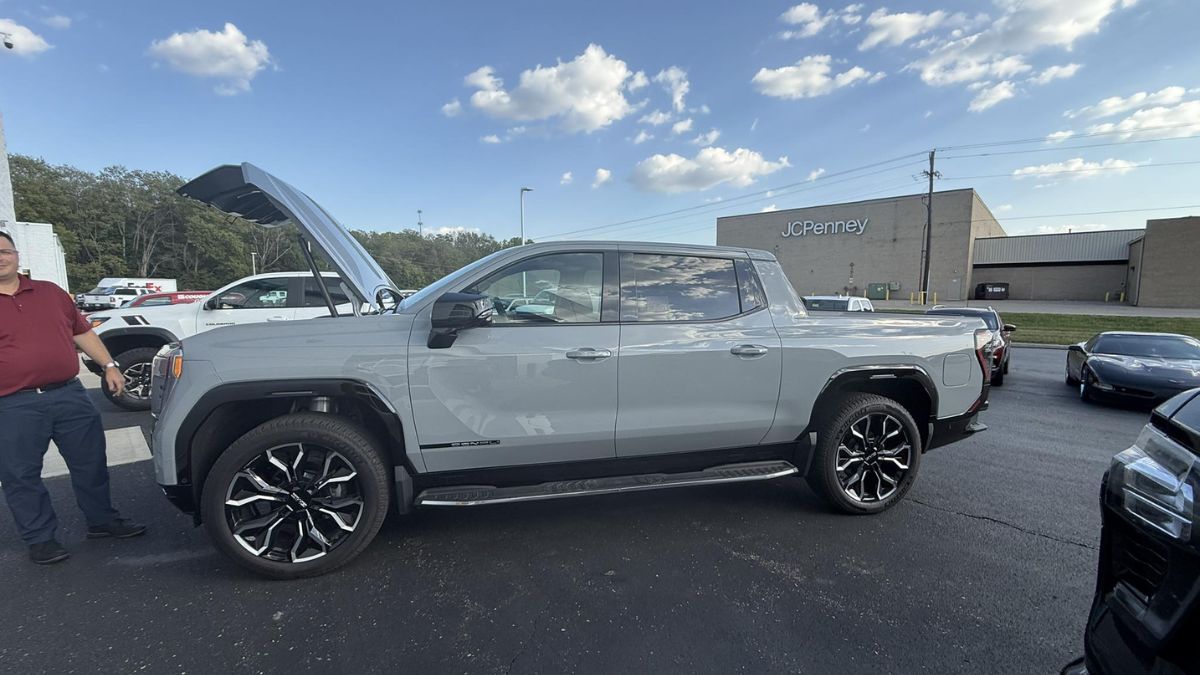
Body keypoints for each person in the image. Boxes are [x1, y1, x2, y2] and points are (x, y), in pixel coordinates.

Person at [0, 230, 146, 565]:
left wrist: (109, 364)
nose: (0, 257)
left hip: (69, 394)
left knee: (90, 463)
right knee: (20, 475)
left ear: (16, 255)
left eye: (4, 250)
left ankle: (102, 520)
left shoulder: (51, 293)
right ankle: (40, 539)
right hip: (12, 403)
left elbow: (81, 331)